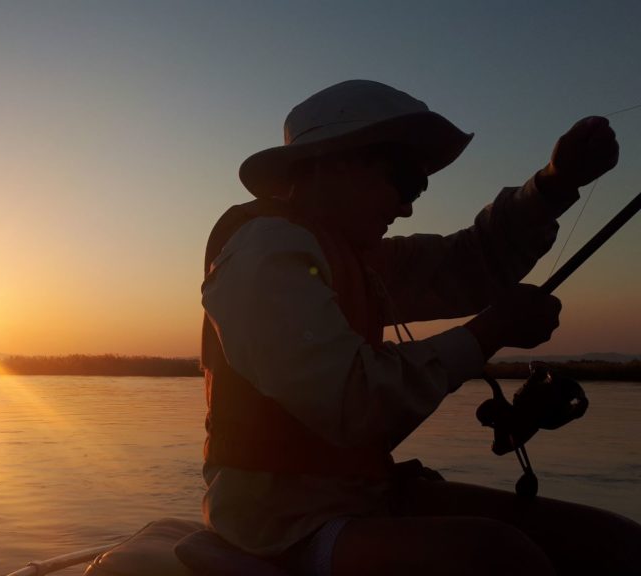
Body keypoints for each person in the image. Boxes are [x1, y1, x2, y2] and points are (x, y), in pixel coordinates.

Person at [199, 80, 640, 575]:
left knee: (617, 544)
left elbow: (467, 262)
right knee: (500, 559)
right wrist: (491, 331)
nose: (409, 206)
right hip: (279, 525)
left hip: (364, 496)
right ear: (335, 161)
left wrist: (557, 183)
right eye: (407, 181)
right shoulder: (265, 252)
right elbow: (352, 398)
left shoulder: (355, 255)